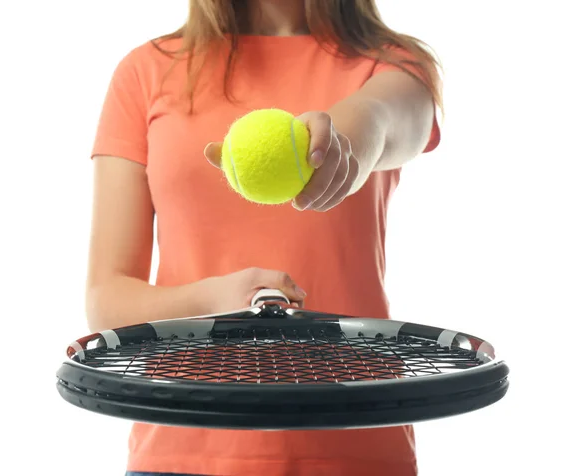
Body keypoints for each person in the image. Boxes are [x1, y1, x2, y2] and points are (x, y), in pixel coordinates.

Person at [87, 0, 442, 474]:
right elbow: (107, 298)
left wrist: (337, 146)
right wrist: (223, 302)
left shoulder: (392, 64)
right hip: (180, 448)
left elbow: (377, 119)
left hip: (354, 444)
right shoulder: (144, 72)